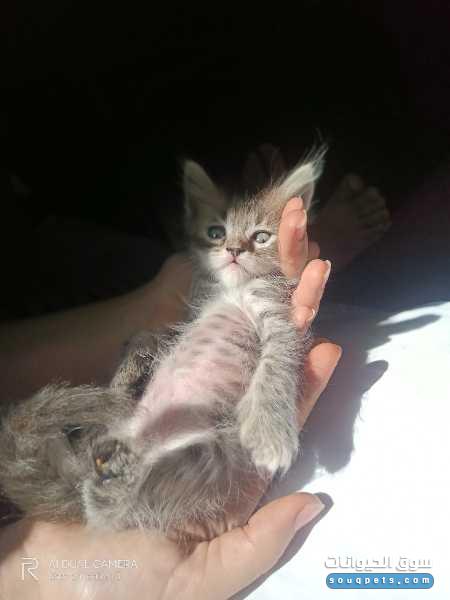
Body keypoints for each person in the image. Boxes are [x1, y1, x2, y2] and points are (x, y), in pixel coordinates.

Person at [0, 197, 341, 599]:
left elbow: (281, 346)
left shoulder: (267, 294)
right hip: (149, 425)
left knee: (204, 455)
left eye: (259, 238)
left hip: (169, 429)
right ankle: (112, 489)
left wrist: (268, 406)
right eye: (220, 235)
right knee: (195, 457)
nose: (234, 248)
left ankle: (112, 487)